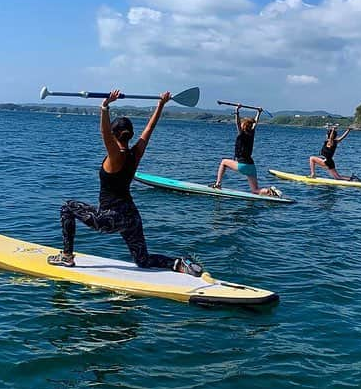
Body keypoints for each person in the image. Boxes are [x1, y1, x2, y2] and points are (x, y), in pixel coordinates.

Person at [47, 89, 203, 275]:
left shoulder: (116, 156)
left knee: (67, 207)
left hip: (110, 218)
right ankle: (178, 263)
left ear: (114, 135)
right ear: (129, 135)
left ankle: (67, 256)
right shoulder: (135, 154)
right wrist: (161, 105)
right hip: (131, 217)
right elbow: (149, 130)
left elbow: (104, 132)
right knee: (142, 260)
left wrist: (104, 107)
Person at [211, 104, 281, 196]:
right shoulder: (251, 133)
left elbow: (237, 123)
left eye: (242, 123)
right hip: (251, 166)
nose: (241, 124)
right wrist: (258, 112)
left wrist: (237, 111)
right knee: (255, 190)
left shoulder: (242, 134)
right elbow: (255, 124)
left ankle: (218, 184)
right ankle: (269, 192)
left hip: (243, 165)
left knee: (223, 162)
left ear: (244, 126)